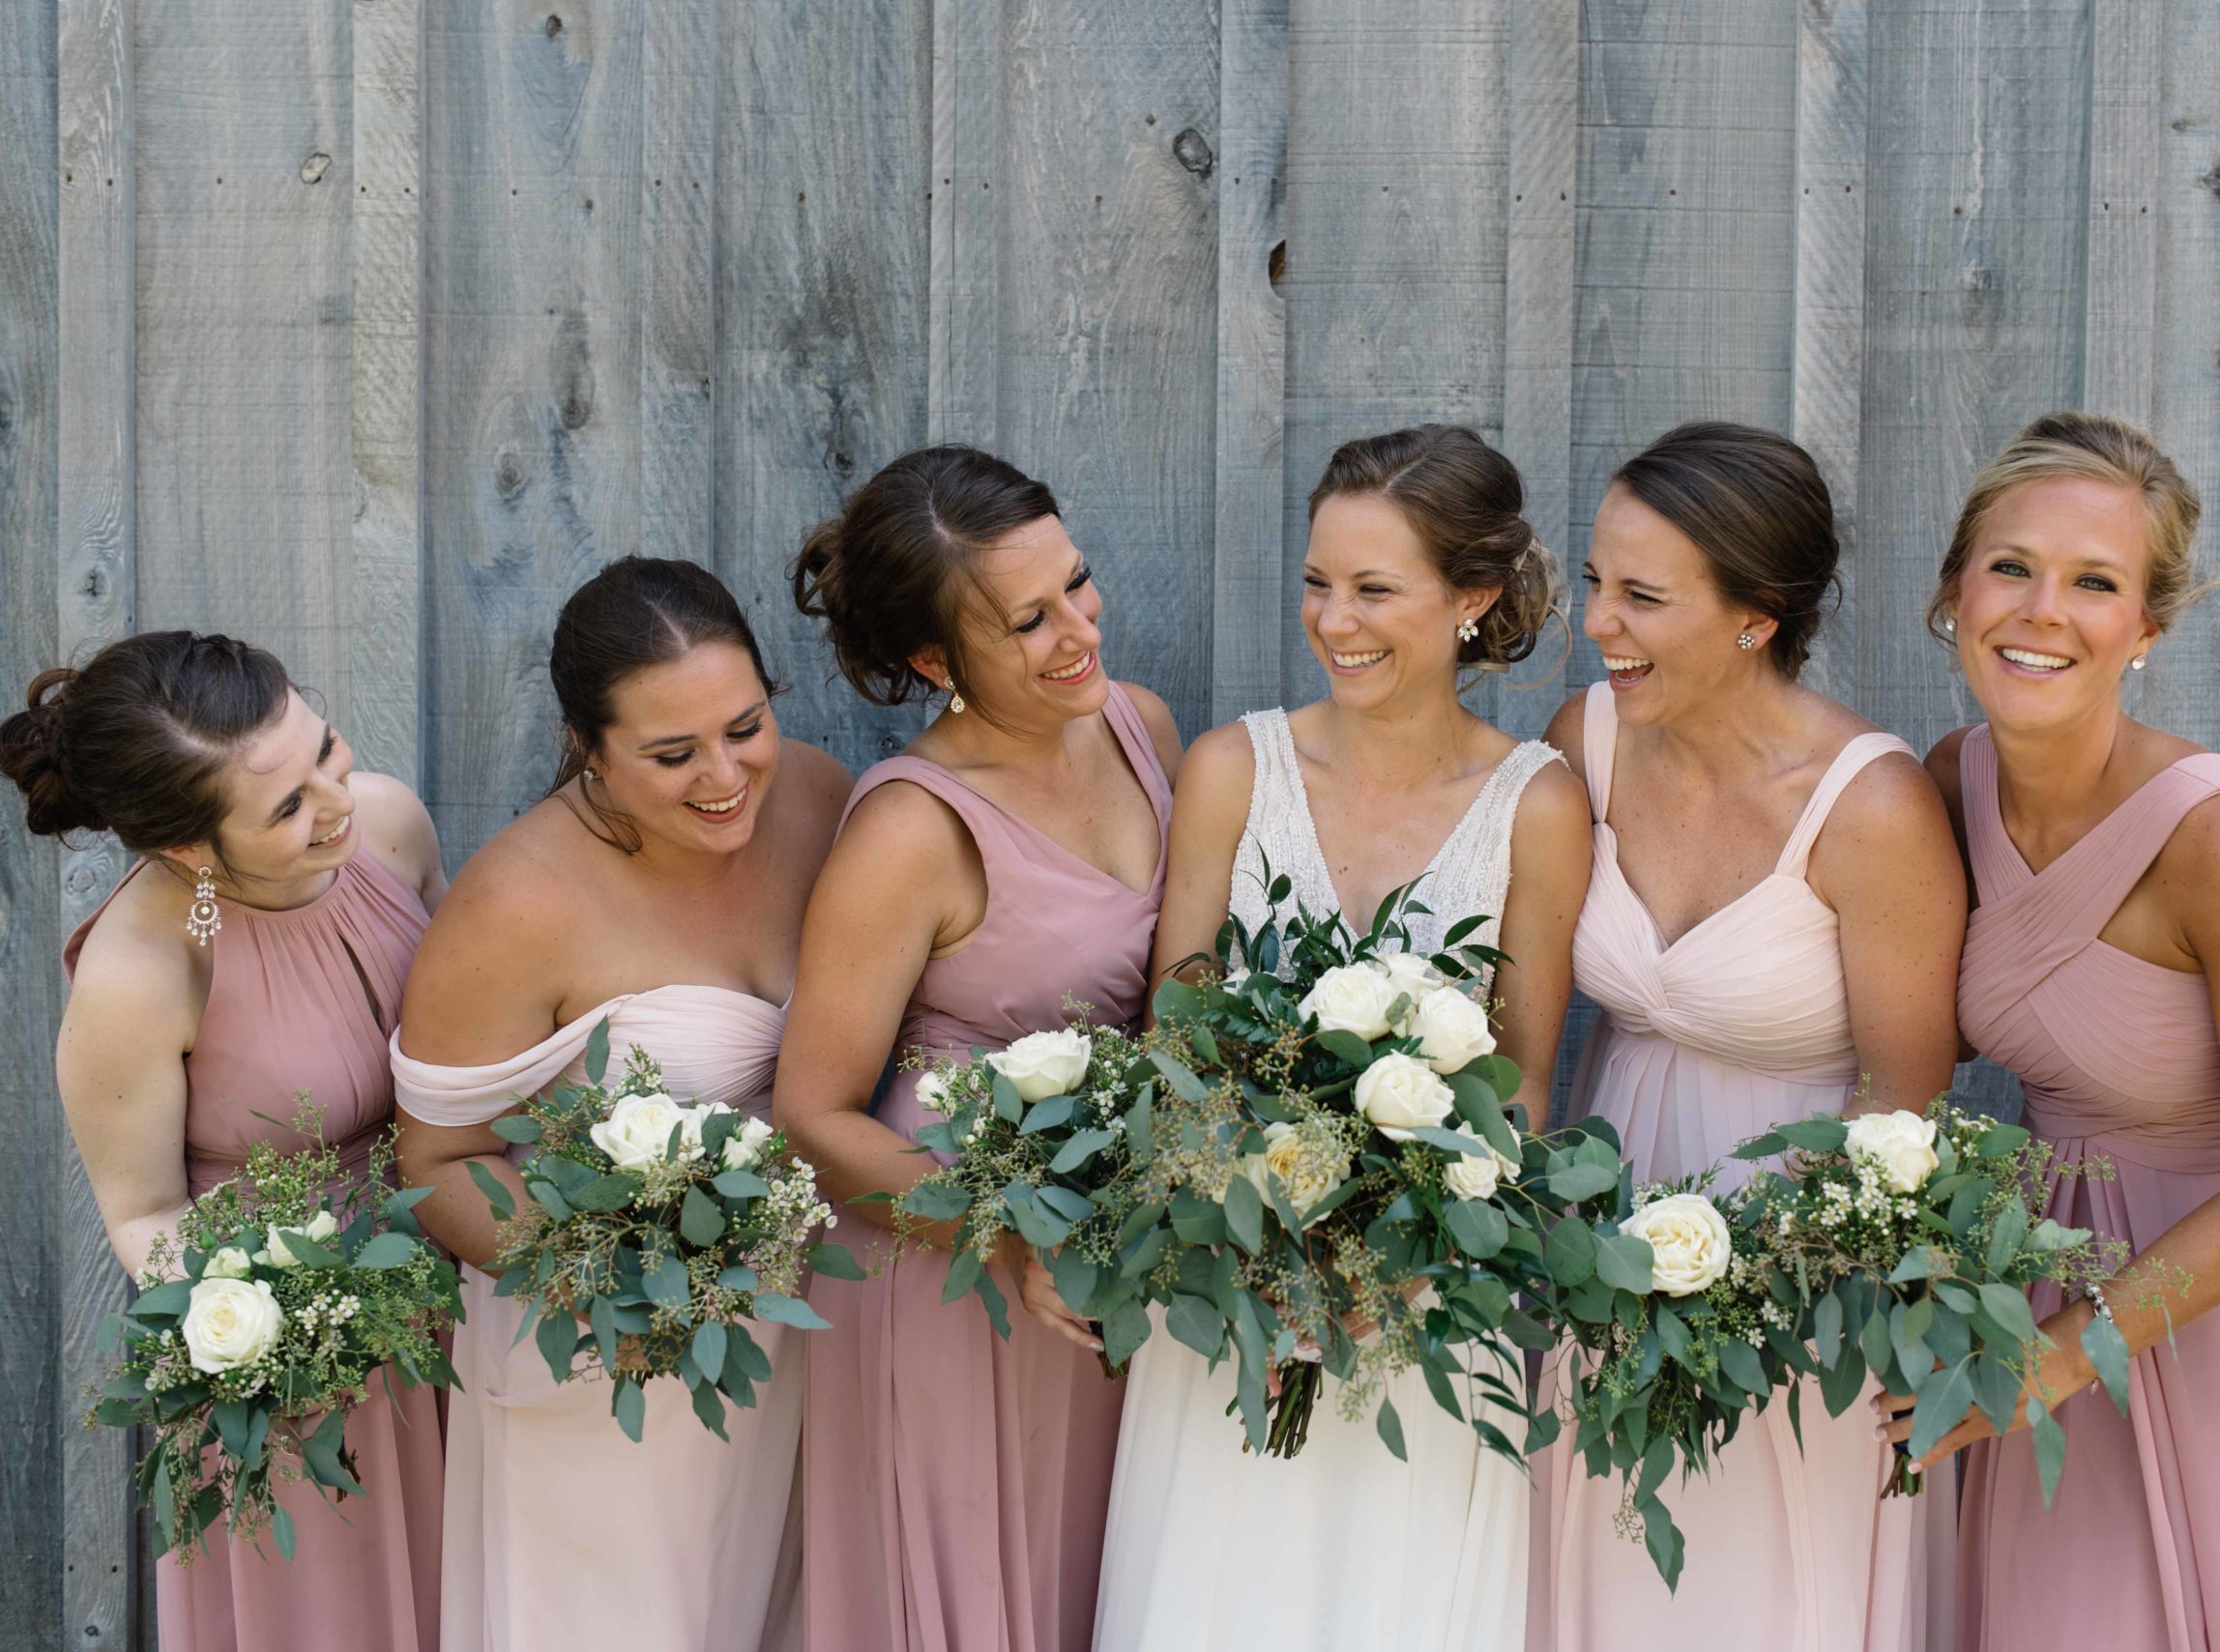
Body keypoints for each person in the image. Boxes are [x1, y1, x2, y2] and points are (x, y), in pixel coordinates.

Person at [1881, 411, 2220, 1651]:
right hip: (2054, 1258)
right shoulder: (1945, 781)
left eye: (2094, 583)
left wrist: (2064, 1357)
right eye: (2012, 566)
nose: (2041, 610)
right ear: (1953, 589)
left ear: (2147, 627)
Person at [1093, 424, 1590, 1652]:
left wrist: (1389, 1269)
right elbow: (1179, 1039)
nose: (1335, 618)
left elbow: (1521, 1081)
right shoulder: (1229, 769)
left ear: (1472, 598)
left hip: (1426, 1306)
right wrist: (1265, 1258)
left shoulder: (1539, 799)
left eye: (1374, 588)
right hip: (1227, 1285)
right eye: (1318, 581)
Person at [1529, 422, 1965, 1652]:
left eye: (1641, 597)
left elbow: (1904, 1118)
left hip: (1800, 1276)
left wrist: (1764, 1292)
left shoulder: (1869, 808)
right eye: (1599, 582)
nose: (1597, 622)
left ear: (1754, 617)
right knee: (1603, 1577)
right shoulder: (1587, 742)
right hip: (1607, 1246)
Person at [392, 559, 850, 1652]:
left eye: (745, 726)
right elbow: (434, 1161)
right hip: (607, 1361)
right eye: (671, 753)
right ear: (587, 746)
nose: (725, 775)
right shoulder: (516, 901)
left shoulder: (824, 799)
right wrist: (629, 1284)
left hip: (794, 1343)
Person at [778, 447, 1183, 1652]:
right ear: (933, 661)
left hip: (1108, 1251)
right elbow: (814, 1112)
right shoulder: (910, 829)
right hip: (957, 1266)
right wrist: (1009, 1233)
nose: (1076, 631)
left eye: (1077, 584)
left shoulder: (1139, 724)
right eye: (1027, 620)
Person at [7, 630, 448, 1652]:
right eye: (288, 806)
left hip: (452, 1276)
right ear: (192, 850)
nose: (336, 799)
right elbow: (144, 1214)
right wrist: (279, 1331)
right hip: (295, 1352)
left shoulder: (387, 824)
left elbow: (465, 1037)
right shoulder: (142, 969)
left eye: (324, 748)